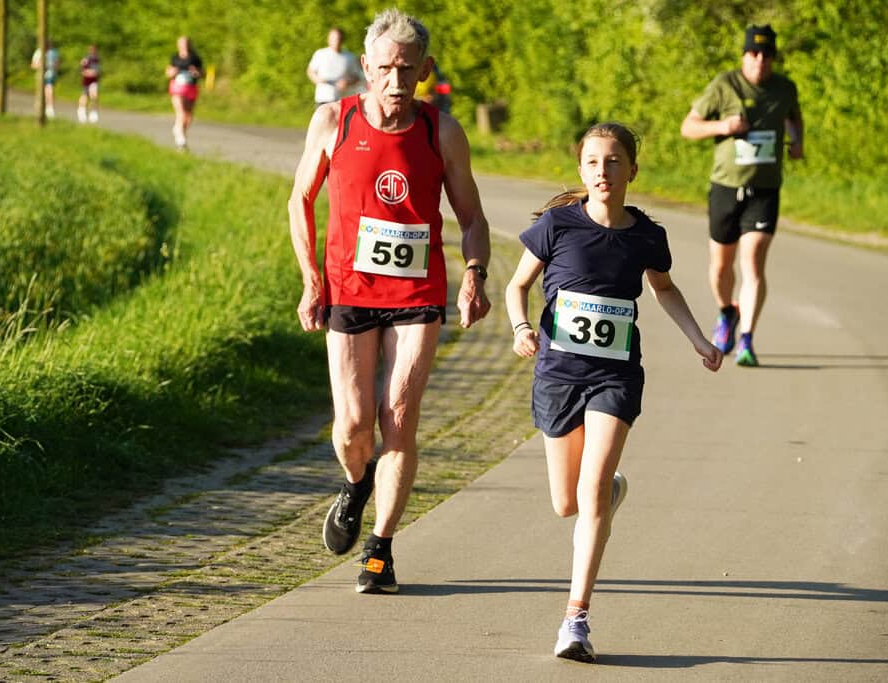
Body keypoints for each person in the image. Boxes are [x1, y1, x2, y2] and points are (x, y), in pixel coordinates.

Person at [288, 8, 491, 595]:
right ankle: (356, 483)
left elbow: (472, 218)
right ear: (364, 70)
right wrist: (310, 279)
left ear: (424, 71)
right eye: (384, 69)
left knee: (397, 418)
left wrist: (474, 272)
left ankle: (380, 549)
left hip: (417, 292)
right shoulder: (332, 121)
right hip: (348, 291)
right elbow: (300, 200)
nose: (395, 82)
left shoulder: (441, 132)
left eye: (407, 70)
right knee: (353, 425)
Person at [505, 122, 721, 662]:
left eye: (614, 161)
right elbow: (517, 286)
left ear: (632, 170)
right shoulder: (557, 225)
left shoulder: (646, 235)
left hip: (615, 375)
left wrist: (699, 339)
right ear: (582, 170)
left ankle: (575, 620)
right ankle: (603, 493)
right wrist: (520, 327)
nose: (603, 170)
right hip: (558, 374)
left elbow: (665, 289)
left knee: (592, 491)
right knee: (565, 504)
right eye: (594, 161)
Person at [680, 24, 803, 367]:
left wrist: (797, 142)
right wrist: (723, 127)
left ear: (773, 58)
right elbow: (688, 127)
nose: (760, 60)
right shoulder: (725, 85)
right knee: (721, 267)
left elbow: (794, 117)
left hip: (764, 190)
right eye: (754, 53)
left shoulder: (784, 88)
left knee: (753, 261)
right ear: (744, 55)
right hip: (725, 186)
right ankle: (726, 313)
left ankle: (747, 339)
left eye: (766, 55)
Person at [306, 26, 363, 106]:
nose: (336, 41)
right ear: (328, 39)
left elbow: (357, 77)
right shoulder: (320, 54)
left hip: (342, 100)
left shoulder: (349, 57)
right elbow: (310, 71)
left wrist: (347, 82)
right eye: (333, 38)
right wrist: (318, 80)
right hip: (323, 99)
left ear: (342, 40)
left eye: (338, 38)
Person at [165, 36, 203, 150]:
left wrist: (196, 73)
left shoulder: (195, 58)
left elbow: (202, 73)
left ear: (189, 44)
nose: (183, 45)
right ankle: (181, 141)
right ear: (178, 45)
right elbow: (168, 72)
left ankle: (179, 131)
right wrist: (173, 72)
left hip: (190, 87)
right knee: (180, 112)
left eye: (185, 43)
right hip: (177, 87)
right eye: (181, 43)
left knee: (188, 115)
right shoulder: (175, 57)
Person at [31, 41, 61, 118]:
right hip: (40, 75)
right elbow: (33, 65)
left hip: (50, 74)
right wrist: (42, 66)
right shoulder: (39, 52)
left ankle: (50, 108)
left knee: (50, 90)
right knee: (42, 92)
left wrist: (53, 66)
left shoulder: (54, 52)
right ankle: (41, 107)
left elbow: (58, 64)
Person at [78, 45, 102, 123]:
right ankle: (81, 110)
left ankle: (93, 112)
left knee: (94, 95)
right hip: (86, 80)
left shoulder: (97, 59)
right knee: (85, 96)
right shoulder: (86, 59)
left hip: (94, 81)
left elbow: (98, 71)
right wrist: (88, 73)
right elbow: (82, 70)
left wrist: (95, 73)